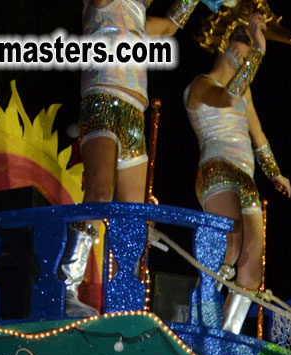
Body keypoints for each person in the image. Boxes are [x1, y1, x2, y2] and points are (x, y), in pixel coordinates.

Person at [59, 0, 213, 316]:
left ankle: (123, 300)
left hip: (134, 114)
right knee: (99, 193)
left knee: (132, 214)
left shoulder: (138, 18)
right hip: (102, 100)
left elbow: (170, 27)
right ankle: (66, 285)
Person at [184, 10, 290, 334]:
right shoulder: (202, 84)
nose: (246, 50)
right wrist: (259, 53)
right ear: (225, 45)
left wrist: (274, 172)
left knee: (252, 270)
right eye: (243, 42)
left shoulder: (246, 93)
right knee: (231, 242)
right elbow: (227, 97)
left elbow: (257, 135)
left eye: (249, 45)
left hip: (246, 178)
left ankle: (225, 336)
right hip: (217, 171)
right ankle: (200, 320)